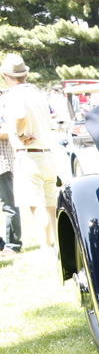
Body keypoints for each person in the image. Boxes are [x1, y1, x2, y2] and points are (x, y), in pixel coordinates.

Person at [2, 53, 57, 252]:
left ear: (6, 76)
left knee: (36, 203)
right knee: (50, 202)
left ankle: (45, 245)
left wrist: (18, 133)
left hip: (28, 153)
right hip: (47, 153)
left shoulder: (15, 95)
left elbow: (20, 115)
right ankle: (59, 242)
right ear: (25, 74)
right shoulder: (38, 93)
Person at [0, 104, 20, 255]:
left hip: (2, 166)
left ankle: (12, 245)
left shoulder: (5, 110)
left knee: (10, 207)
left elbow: (11, 132)